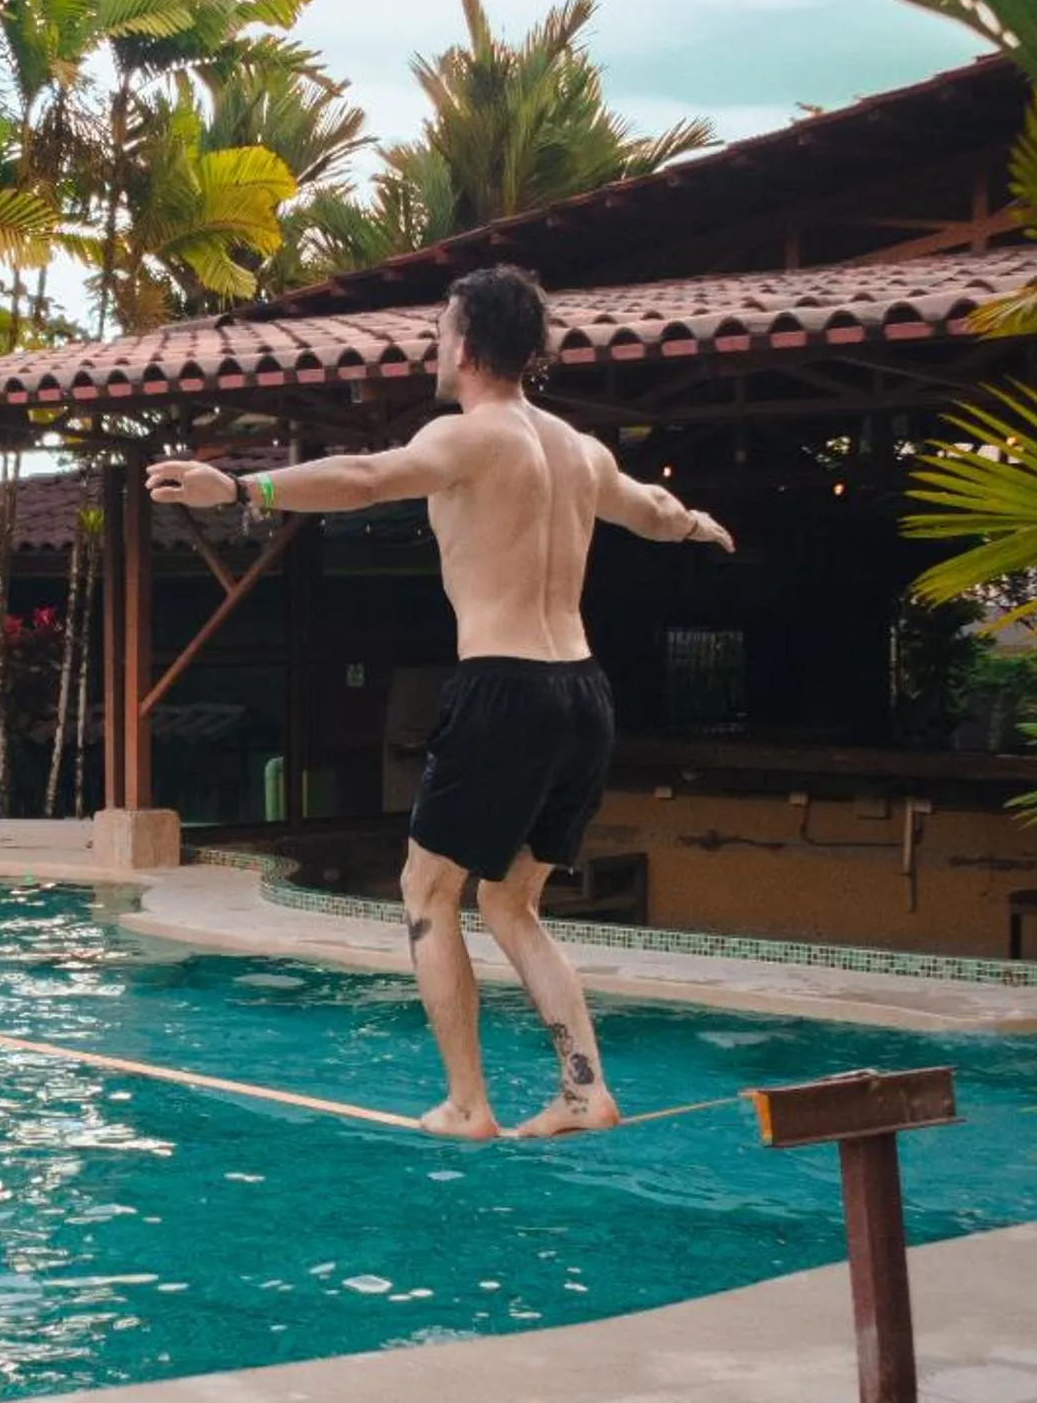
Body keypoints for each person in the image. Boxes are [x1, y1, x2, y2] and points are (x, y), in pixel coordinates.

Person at [147, 265, 733, 1143]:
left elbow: (364, 475)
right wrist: (693, 522)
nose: (433, 344)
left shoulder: (467, 437)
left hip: (503, 686)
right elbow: (644, 508)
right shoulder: (578, 449)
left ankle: (468, 1102)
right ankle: (584, 1087)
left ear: (462, 345)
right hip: (581, 689)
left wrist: (238, 488)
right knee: (510, 903)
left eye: (438, 330)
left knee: (428, 891)